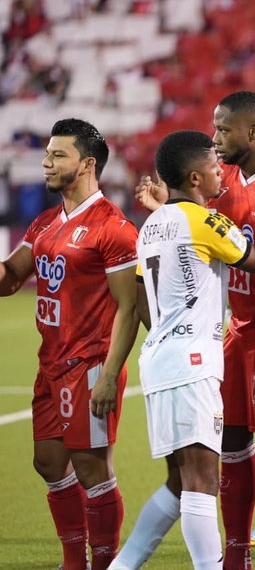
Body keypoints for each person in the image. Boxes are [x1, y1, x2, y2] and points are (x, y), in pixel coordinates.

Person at [133, 92, 255, 570]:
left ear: (254, 133)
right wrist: (168, 206)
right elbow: (194, 214)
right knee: (231, 442)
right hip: (235, 328)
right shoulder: (224, 181)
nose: (215, 140)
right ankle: (234, 557)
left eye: (223, 130)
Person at [0, 118, 138, 570]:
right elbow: (10, 279)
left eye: (58, 155)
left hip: (90, 364)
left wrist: (110, 376)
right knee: (47, 463)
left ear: (87, 164)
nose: (46, 162)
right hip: (51, 363)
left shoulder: (113, 228)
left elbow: (128, 307)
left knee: (92, 469)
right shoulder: (44, 222)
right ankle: (72, 561)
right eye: (47, 154)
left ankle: (102, 563)